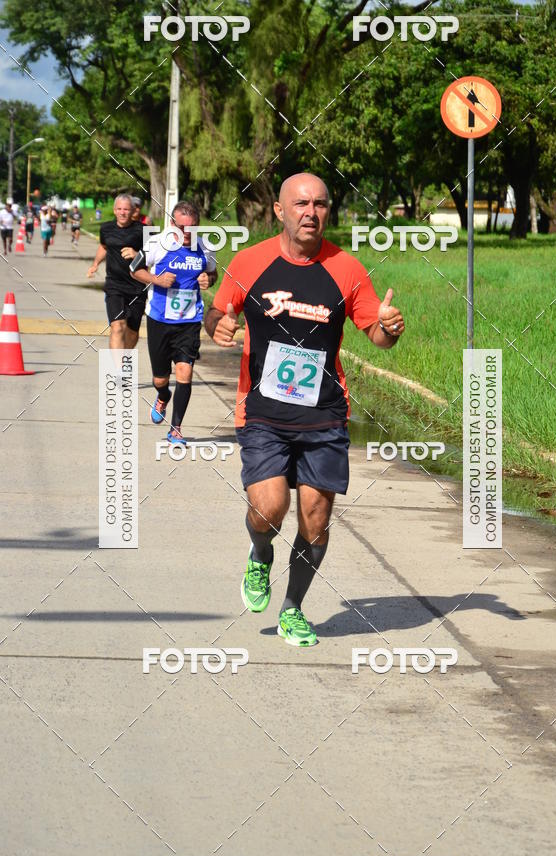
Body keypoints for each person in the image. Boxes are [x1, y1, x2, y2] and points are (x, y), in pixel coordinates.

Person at [205, 172, 405, 647]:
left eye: (319, 204)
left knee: (315, 522)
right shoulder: (250, 262)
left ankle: (293, 608)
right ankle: (259, 554)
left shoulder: (347, 269)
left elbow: (376, 334)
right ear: (279, 211)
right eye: (300, 204)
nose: (310, 213)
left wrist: (390, 328)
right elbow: (217, 311)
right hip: (262, 414)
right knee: (269, 510)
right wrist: (218, 325)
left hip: (325, 416)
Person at [129, 200, 218, 444]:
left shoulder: (204, 246)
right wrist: (156, 279)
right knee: (160, 379)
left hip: (189, 320)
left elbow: (213, 273)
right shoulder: (158, 243)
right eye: (182, 228)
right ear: (172, 224)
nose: (187, 234)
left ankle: (176, 429)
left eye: (192, 229)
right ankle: (162, 395)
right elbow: (134, 269)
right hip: (159, 318)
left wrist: (208, 280)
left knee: (185, 372)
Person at [86, 194, 145, 349]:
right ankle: (114, 371)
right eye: (119, 209)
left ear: (132, 211)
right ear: (114, 210)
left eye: (126, 209)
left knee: (132, 332)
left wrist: (137, 254)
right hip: (114, 285)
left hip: (137, 286)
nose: (122, 212)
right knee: (117, 326)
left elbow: (155, 256)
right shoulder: (106, 228)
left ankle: (125, 357)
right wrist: (95, 264)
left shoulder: (143, 230)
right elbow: (104, 246)